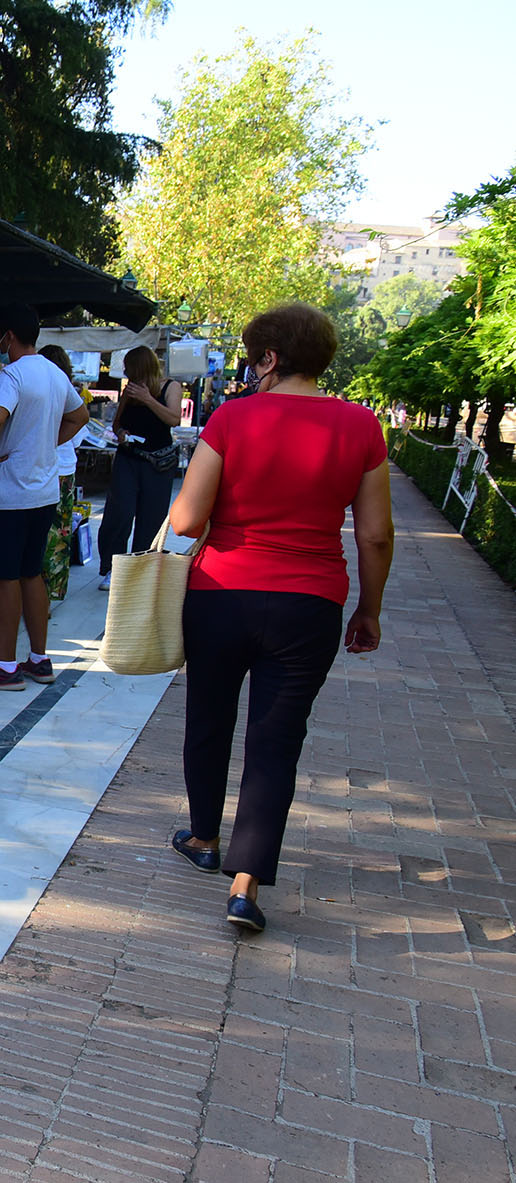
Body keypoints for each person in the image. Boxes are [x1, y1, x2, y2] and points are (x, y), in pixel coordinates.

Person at [164, 302, 393, 934]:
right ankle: (245, 884)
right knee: (276, 740)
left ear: (269, 358)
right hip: (311, 603)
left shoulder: (235, 417)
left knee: (209, 715)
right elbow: (374, 536)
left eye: (252, 359)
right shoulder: (361, 426)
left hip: (222, 593)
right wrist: (369, 610)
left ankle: (204, 839)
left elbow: (185, 521)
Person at [0, 305, 89, 690]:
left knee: (4, 577)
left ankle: (5, 666)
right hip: (44, 490)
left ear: (9, 337)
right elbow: (79, 416)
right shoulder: (53, 372)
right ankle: (39, 658)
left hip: (10, 491)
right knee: (32, 573)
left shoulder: (14, 374)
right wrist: (46, 444)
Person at [97, 346, 183, 591]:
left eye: (128, 367)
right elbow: (117, 422)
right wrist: (121, 432)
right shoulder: (130, 389)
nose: (125, 372)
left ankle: (141, 570)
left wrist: (147, 399)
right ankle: (113, 568)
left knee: (151, 518)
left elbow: (173, 419)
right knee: (119, 513)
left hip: (158, 463)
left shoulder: (170, 387)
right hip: (129, 458)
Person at [37, 344, 82, 602]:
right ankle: (51, 591)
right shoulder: (68, 391)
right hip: (66, 468)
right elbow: (78, 437)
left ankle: (35, 593)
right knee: (61, 533)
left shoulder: (43, 391)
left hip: (45, 468)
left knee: (39, 533)